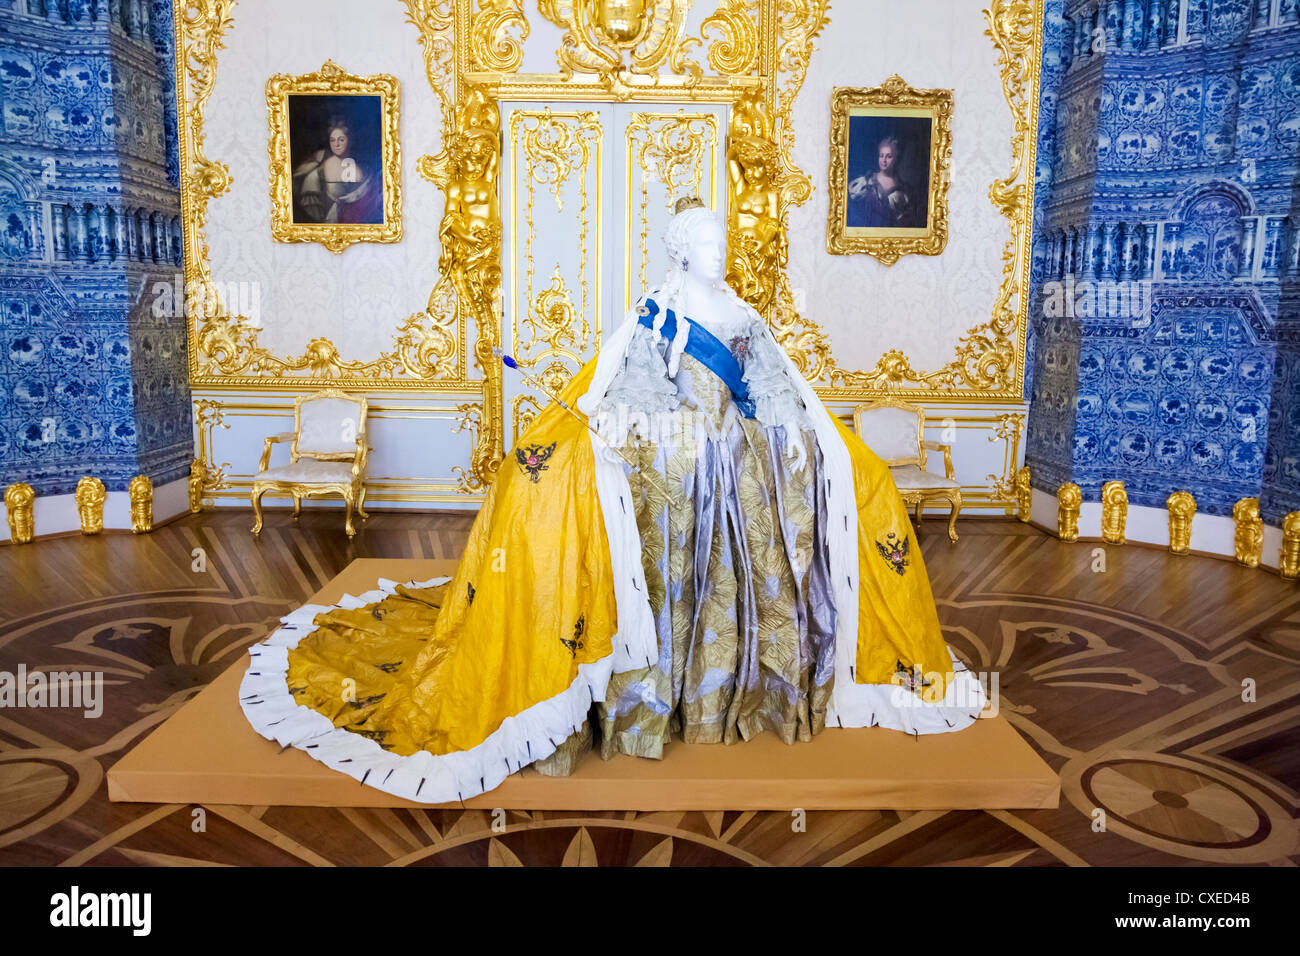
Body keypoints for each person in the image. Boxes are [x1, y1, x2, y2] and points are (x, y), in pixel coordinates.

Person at [240, 199, 984, 803]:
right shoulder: (658, 312)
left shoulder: (741, 312)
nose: (719, 249)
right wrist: (671, 428)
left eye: (721, 238)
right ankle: (635, 704)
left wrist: (785, 431)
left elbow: (775, 389)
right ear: (680, 249)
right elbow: (633, 390)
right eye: (704, 239)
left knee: (849, 482)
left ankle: (753, 687)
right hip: (678, 446)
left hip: (736, 453)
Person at [291, 118, 383, 225]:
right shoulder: (319, 171)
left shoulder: (363, 170)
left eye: (341, 140)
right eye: (332, 140)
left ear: (350, 140)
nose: (336, 144)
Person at [848, 134, 920, 229]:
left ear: (896, 159)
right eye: (881, 156)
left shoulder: (902, 189)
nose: (884, 160)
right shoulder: (867, 182)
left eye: (889, 156)